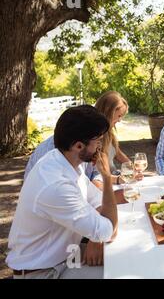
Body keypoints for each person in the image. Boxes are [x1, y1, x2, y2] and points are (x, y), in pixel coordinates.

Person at [6, 105, 118, 279]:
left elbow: (97, 203)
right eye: (97, 141)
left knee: (121, 258)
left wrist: (99, 232)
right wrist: (107, 178)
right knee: (121, 272)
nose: (100, 147)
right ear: (79, 146)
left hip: (63, 257)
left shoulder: (64, 163)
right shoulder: (56, 185)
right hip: (42, 272)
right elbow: (109, 230)